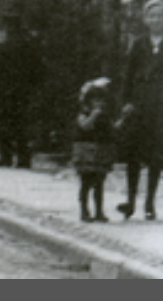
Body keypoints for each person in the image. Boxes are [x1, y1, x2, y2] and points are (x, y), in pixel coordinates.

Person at [0, 3, 44, 169]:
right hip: (24, 91)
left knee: (4, 123)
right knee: (22, 124)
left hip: (5, 91)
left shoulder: (4, 46)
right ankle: (24, 158)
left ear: (8, 27)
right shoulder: (29, 44)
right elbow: (38, 69)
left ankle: (6, 156)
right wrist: (35, 87)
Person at [118, 0, 163, 220]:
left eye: (160, 16)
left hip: (160, 107)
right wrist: (126, 101)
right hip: (139, 104)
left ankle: (150, 203)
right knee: (133, 154)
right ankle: (131, 201)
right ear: (146, 19)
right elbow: (128, 75)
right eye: (152, 16)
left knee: (156, 155)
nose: (156, 20)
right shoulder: (138, 44)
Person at [74, 77, 115, 223]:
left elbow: (113, 128)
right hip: (86, 151)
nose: (100, 104)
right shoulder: (83, 114)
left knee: (99, 183)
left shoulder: (105, 116)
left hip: (101, 150)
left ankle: (99, 211)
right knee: (86, 182)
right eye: (96, 100)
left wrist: (123, 119)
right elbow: (85, 126)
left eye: (102, 101)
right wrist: (94, 115)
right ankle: (84, 210)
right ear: (89, 101)